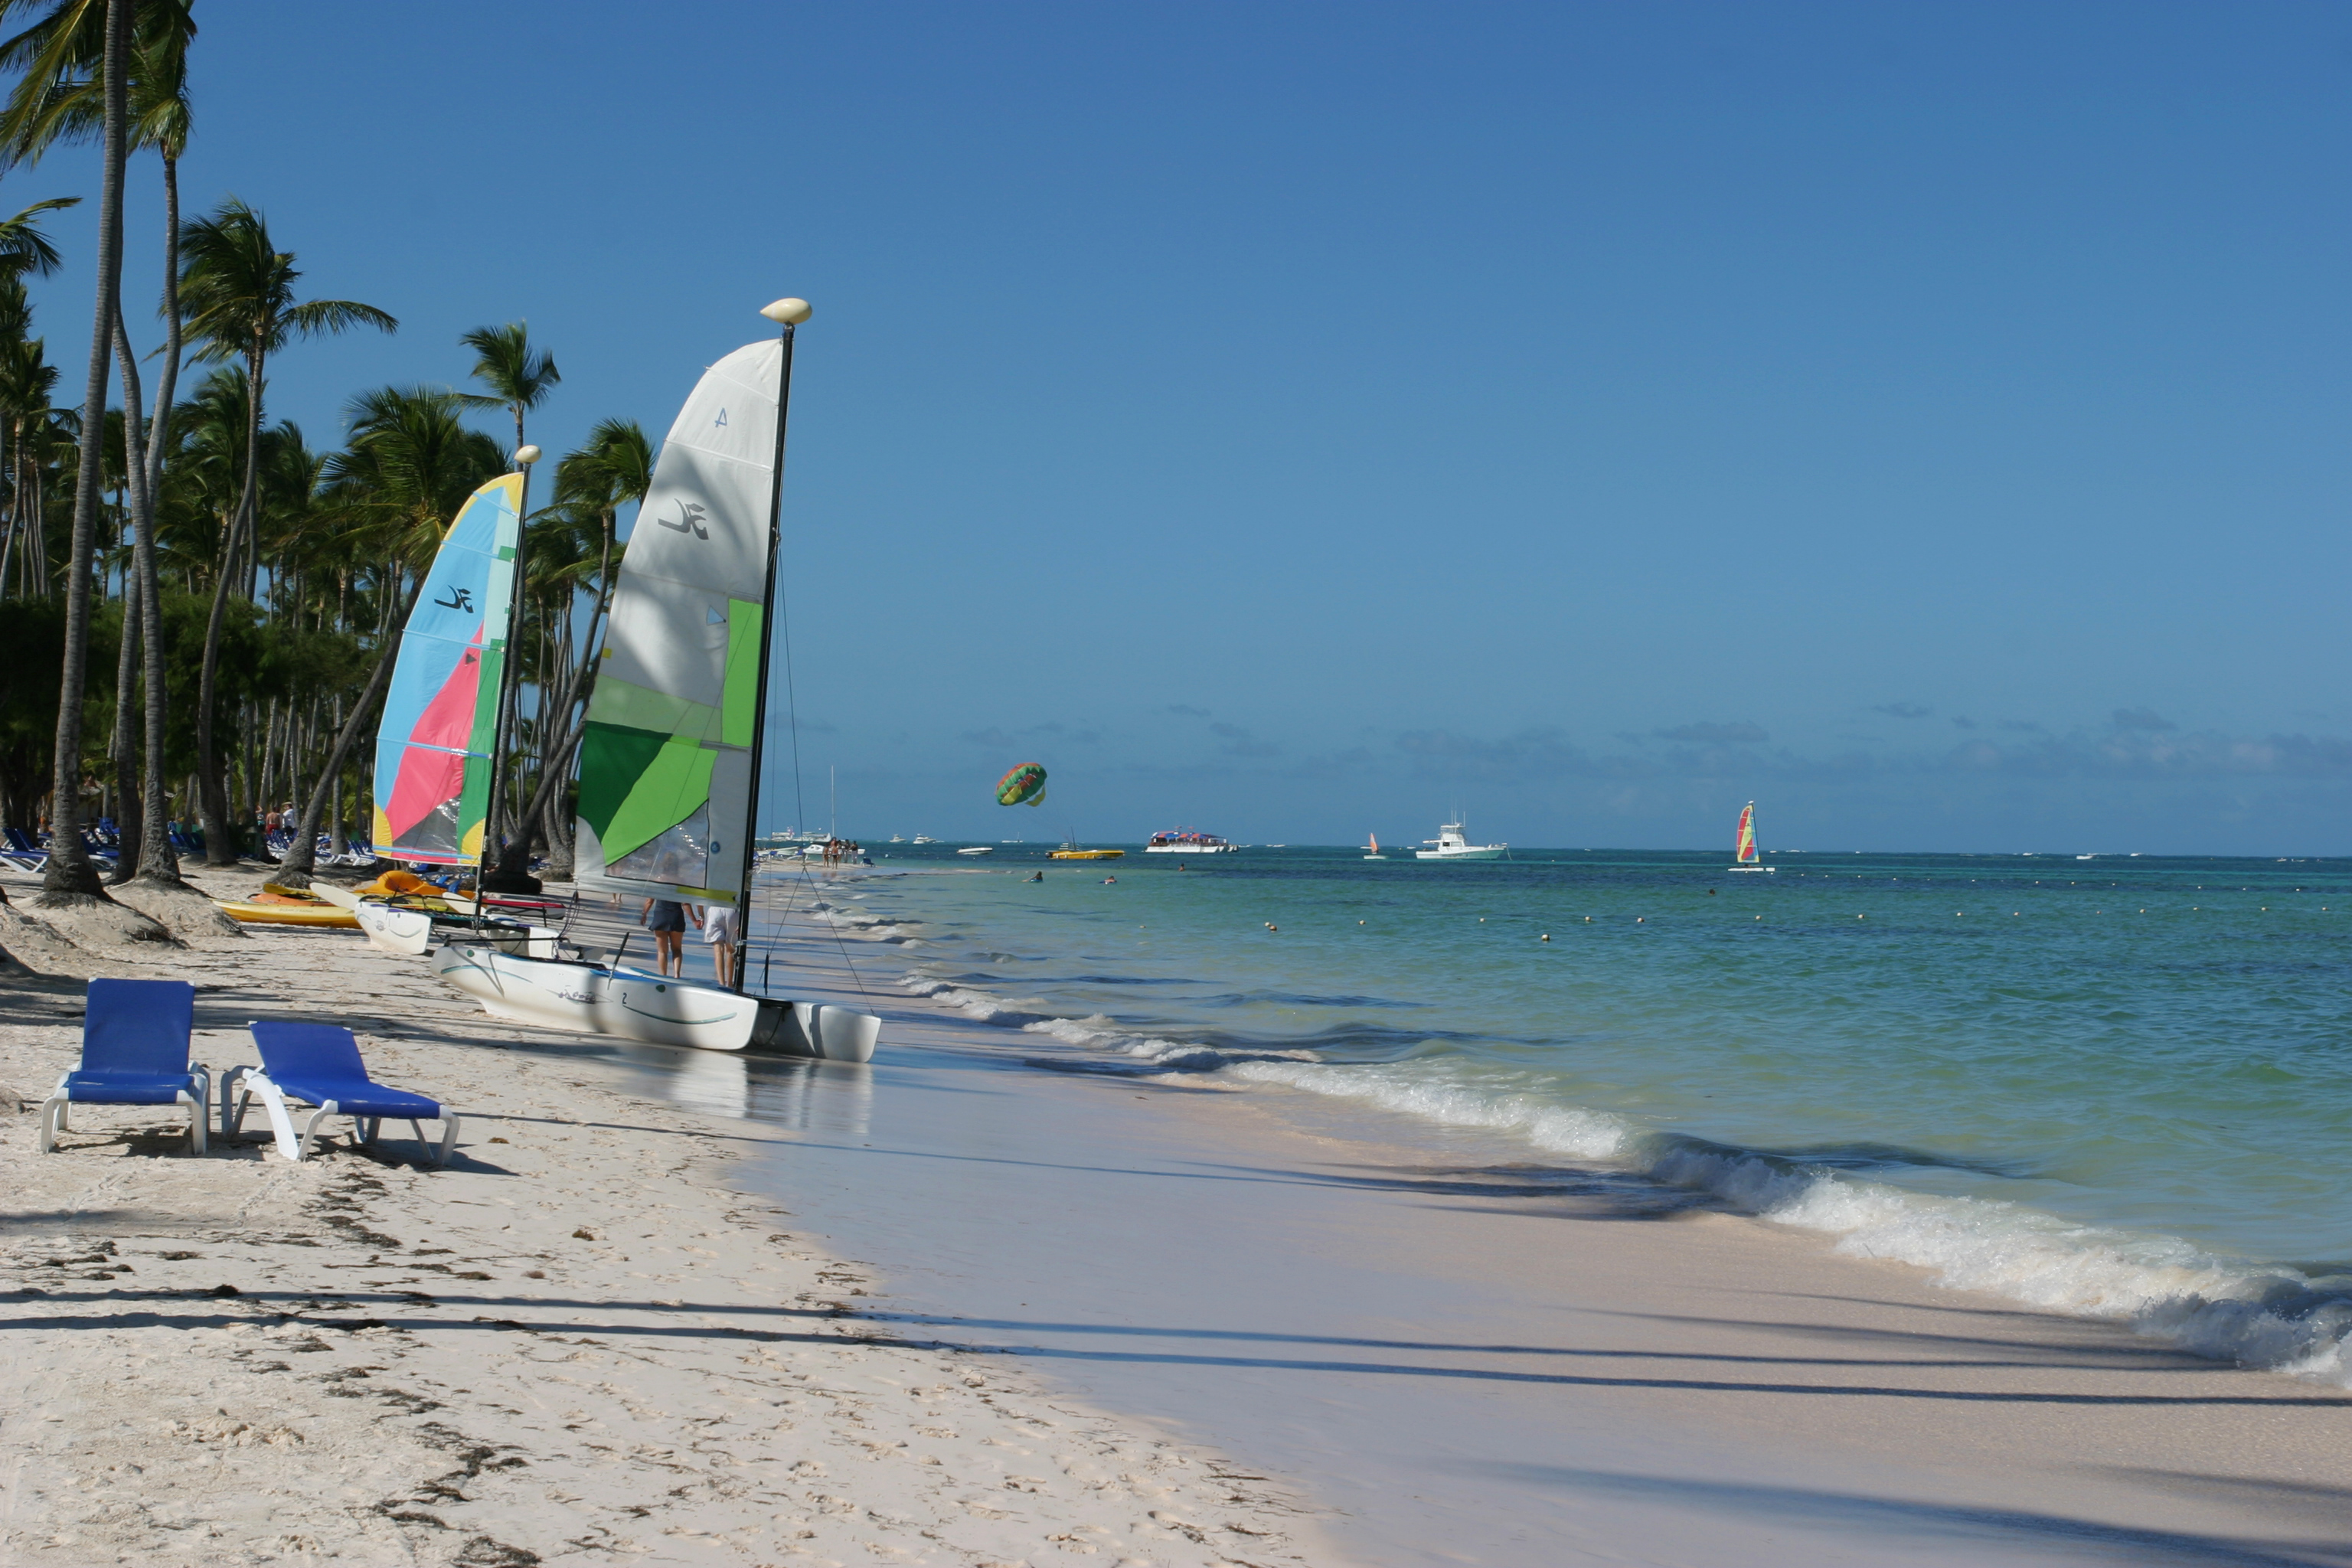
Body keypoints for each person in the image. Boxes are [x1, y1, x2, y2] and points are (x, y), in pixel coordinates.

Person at [641, 896, 688, 977]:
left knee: (662, 951)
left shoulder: (657, 884)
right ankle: (677, 974)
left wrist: (644, 913)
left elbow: (649, 900)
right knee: (677, 949)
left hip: (660, 916)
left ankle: (663, 975)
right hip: (676, 916)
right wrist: (694, 919)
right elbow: (685, 903)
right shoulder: (680, 884)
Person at [701, 900, 740, 987]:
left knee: (718, 950)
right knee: (731, 949)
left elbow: (700, 897)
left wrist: (701, 915)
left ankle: (721, 983)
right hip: (732, 910)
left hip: (715, 909)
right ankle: (729, 983)